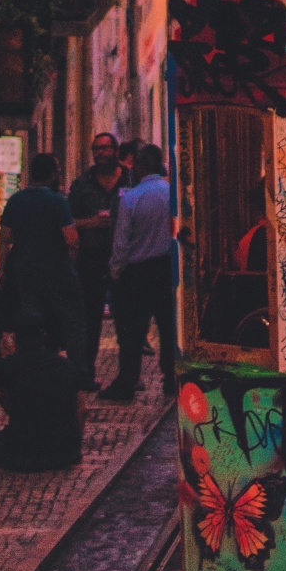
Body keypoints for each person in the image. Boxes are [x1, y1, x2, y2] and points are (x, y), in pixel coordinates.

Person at [0, 152, 88, 377]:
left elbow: (5, 239)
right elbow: (72, 239)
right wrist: (71, 264)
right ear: (52, 175)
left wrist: (2, 270)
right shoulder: (58, 201)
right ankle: (79, 375)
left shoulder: (16, 200)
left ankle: (31, 372)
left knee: (32, 323)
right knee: (72, 323)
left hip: (26, 274)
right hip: (58, 274)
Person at [105, 143, 176, 401]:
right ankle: (171, 379)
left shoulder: (132, 198)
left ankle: (127, 382)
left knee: (132, 332)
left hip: (137, 273)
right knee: (168, 329)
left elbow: (121, 241)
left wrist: (115, 270)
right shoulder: (171, 194)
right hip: (166, 269)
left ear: (142, 167)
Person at [0, 316, 86, 471]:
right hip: (64, 450)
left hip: (23, 448)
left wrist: (7, 359)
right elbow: (82, 407)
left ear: (16, 338)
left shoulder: (8, 366)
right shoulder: (64, 364)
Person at [68, 132, 125, 388]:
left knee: (126, 319)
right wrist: (90, 223)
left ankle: (128, 375)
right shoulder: (82, 185)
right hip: (90, 260)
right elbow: (68, 223)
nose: (100, 153)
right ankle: (85, 372)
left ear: (115, 150)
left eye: (105, 148)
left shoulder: (130, 182)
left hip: (123, 260)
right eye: (96, 149)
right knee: (89, 319)